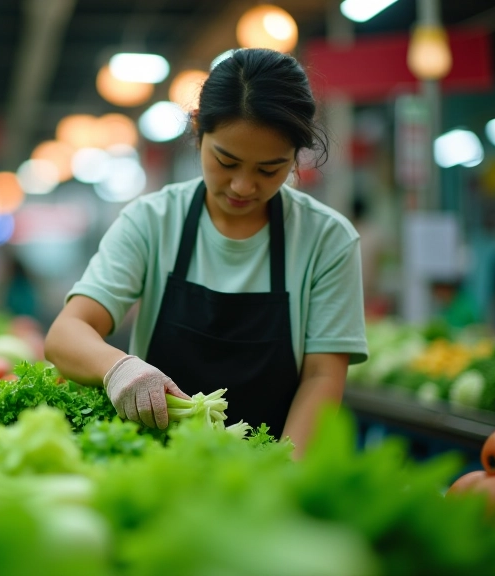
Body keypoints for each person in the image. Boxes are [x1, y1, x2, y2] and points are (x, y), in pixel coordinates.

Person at [45, 48, 368, 458]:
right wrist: (118, 368)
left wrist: (285, 472)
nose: (242, 186)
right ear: (198, 130)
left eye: (270, 169)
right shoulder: (153, 219)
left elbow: (322, 375)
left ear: (295, 157)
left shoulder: (327, 239)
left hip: (271, 470)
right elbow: (66, 333)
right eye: (226, 161)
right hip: (155, 466)